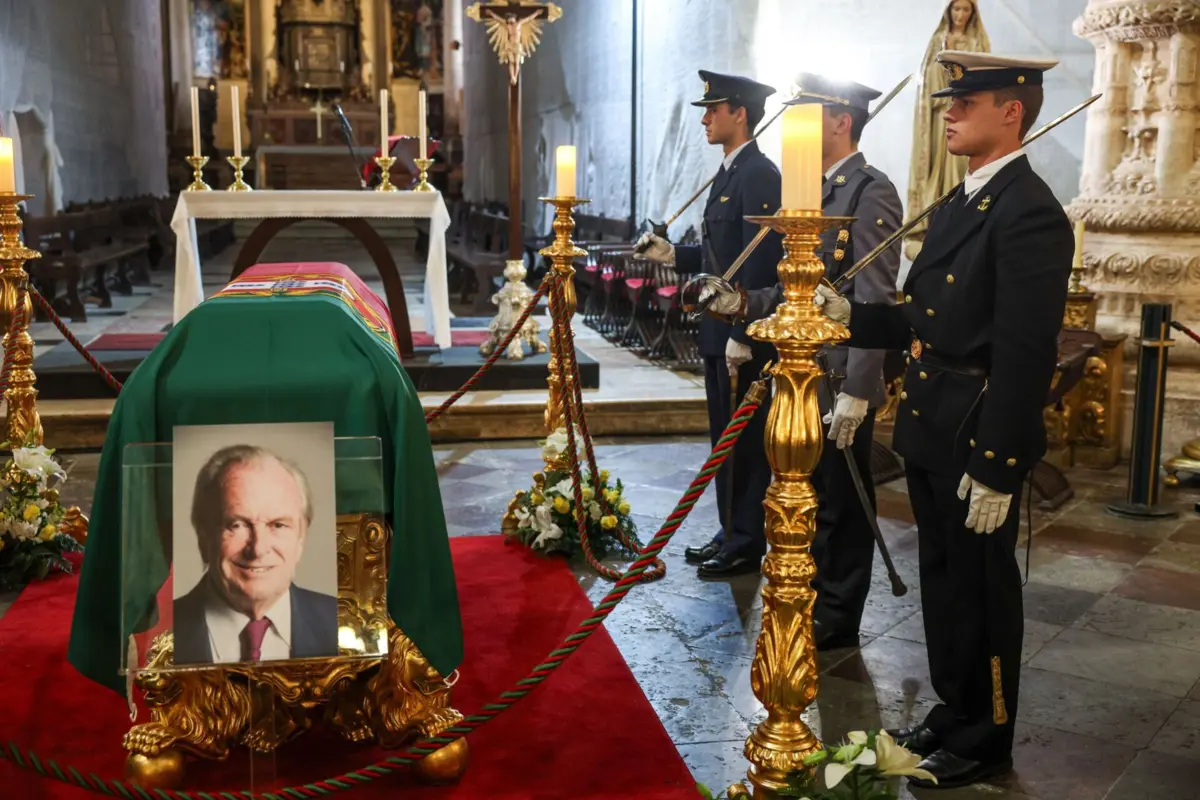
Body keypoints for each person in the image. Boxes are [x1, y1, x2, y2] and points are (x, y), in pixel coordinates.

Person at [813, 52, 1073, 788]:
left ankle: (986, 731)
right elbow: (929, 317)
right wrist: (851, 316)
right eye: (949, 101)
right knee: (943, 581)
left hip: (977, 432)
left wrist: (1001, 464)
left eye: (967, 101)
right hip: (934, 422)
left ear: (1011, 112)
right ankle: (955, 707)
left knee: (983, 590)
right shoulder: (963, 202)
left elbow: (1024, 355)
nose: (948, 112)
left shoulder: (1029, 213)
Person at [701, 73, 904, 649]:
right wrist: (740, 304)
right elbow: (794, 291)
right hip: (795, 373)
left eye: (809, 115)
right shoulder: (806, 192)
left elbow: (874, 299)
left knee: (841, 500)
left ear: (841, 122)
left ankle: (838, 613)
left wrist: (860, 389)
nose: (795, 127)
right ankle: (808, 589)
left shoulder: (870, 191)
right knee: (802, 495)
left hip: (838, 374)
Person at [636, 71, 783, 579]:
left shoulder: (759, 175)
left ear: (739, 113)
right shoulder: (728, 173)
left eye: (713, 109)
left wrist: (744, 333)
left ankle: (746, 539)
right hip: (717, 330)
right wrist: (674, 253)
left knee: (742, 439)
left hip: (738, 332)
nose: (704, 118)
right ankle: (730, 527)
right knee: (724, 436)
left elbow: (761, 265)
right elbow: (724, 256)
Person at [174, 444, 338, 665]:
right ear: (203, 535)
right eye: (237, 525)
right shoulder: (158, 632)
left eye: (278, 525)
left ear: (301, 538)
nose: (258, 549)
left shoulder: (343, 623)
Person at [905, 0, 991, 261]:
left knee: (959, 168)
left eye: (966, 10)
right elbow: (927, 78)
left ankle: (960, 215)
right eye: (956, 9)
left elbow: (986, 78)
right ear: (948, 11)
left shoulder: (978, 43)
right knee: (936, 167)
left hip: (968, 116)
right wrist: (944, 64)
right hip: (940, 118)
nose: (961, 15)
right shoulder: (938, 40)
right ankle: (932, 220)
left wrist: (962, 73)